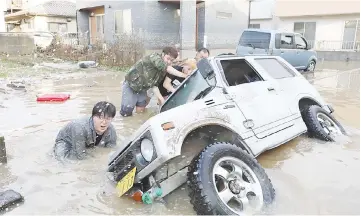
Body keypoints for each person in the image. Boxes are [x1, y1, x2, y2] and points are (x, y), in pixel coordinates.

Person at [120, 46, 189, 117]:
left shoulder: (162, 71)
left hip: (142, 89)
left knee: (140, 113)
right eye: (168, 59)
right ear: (163, 54)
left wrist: (162, 100)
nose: (169, 62)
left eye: (171, 60)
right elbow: (167, 68)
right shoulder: (155, 57)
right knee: (126, 113)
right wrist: (185, 76)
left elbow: (154, 86)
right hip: (131, 85)